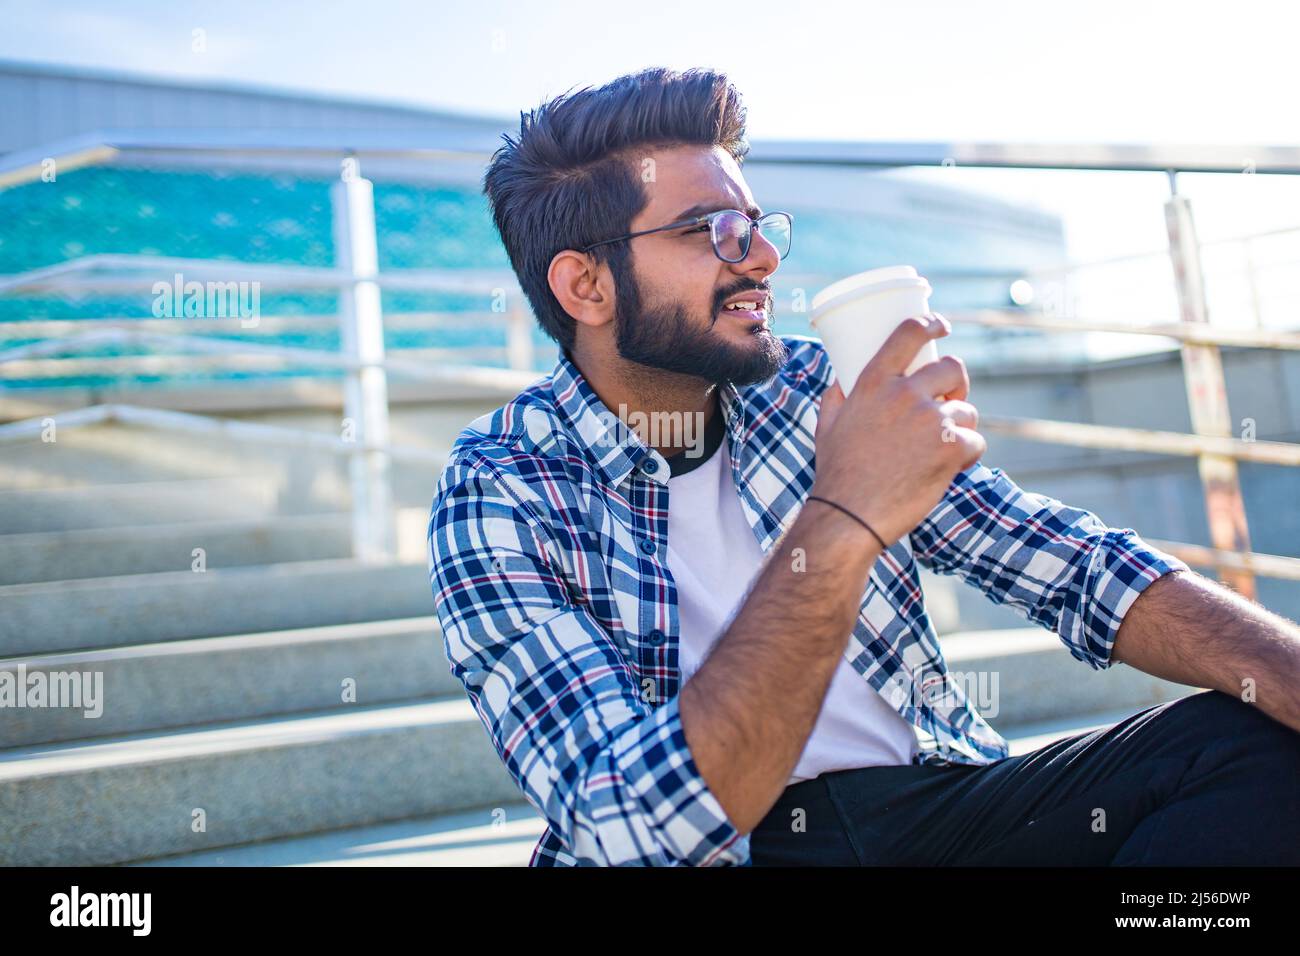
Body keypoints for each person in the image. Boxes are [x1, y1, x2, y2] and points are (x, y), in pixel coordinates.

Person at [426, 66, 1300, 866]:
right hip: (722, 852)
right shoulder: (499, 488)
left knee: (1249, 742)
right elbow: (630, 828)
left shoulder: (815, 386)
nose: (761, 255)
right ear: (586, 287)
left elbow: (1072, 566)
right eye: (711, 231)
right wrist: (844, 512)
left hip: (931, 811)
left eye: (757, 225)